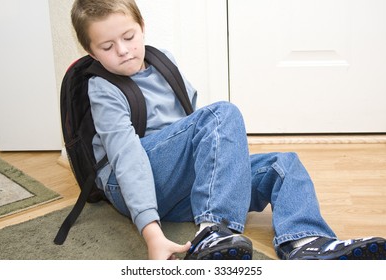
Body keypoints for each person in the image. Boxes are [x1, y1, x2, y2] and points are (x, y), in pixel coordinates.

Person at [70, 0, 386, 260]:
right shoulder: (103, 89)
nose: (124, 50)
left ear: (142, 27)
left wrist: (220, 170)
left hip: (177, 181)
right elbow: (127, 160)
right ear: (92, 53)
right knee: (221, 114)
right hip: (130, 185)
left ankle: (305, 243)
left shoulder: (163, 61)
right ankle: (213, 231)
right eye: (108, 46)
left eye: (129, 37)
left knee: (283, 164)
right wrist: (152, 233)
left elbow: (197, 133)